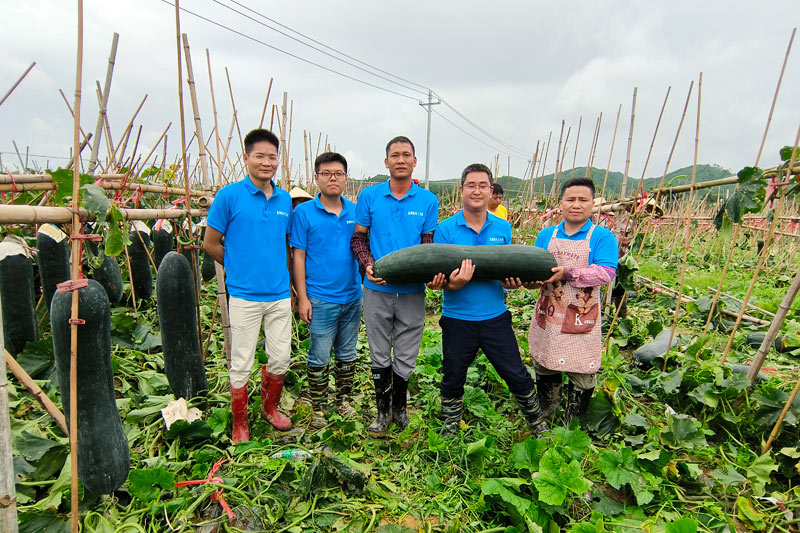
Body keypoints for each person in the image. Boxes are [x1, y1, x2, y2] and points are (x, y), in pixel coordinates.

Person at [427, 163, 547, 435]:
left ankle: (537, 423)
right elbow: (436, 277)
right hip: (457, 319)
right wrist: (448, 283)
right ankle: (450, 427)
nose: (477, 190)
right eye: (471, 185)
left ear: (491, 190)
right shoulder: (445, 230)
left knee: (515, 373)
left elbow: (506, 267)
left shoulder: (503, 228)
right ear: (461, 190)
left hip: (495, 316)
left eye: (483, 185)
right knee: (453, 375)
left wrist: (513, 282)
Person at [204, 128, 294, 443]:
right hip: (244, 295)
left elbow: (286, 245)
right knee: (241, 361)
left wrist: (290, 285)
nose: (266, 162)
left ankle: (269, 409)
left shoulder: (285, 199)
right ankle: (239, 423)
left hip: (279, 294)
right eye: (259, 156)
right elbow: (210, 243)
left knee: (281, 357)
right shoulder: (229, 196)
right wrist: (236, 267)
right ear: (246, 158)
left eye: (272, 157)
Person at [351, 136, 439, 436]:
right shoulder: (369, 196)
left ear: (415, 161)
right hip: (376, 288)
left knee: (406, 352)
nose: (401, 160)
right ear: (386, 162)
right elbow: (359, 237)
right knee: (378, 352)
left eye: (407, 155)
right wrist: (368, 265)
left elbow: (427, 245)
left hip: (412, 290)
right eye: (395, 155)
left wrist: (428, 274)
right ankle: (382, 410)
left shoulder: (428, 200)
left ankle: (400, 407)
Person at [528, 177, 618, 424]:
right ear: (561, 203)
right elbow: (535, 269)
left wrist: (567, 273)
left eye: (583, 200)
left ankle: (572, 424)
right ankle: (546, 416)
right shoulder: (547, 234)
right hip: (550, 312)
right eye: (570, 199)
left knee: (581, 370)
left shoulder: (601, 237)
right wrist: (531, 280)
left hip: (581, 314)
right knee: (546, 363)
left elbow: (606, 273)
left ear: (593, 204)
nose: (576, 205)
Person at [291, 152, 362, 429]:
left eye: (339, 173)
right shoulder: (303, 213)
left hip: (352, 297)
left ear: (346, 178)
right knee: (319, 356)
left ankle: (343, 401)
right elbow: (298, 256)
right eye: (326, 173)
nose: (333, 178)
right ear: (316, 178)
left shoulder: (355, 212)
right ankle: (319, 406)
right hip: (319, 298)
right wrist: (303, 297)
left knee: (347, 354)